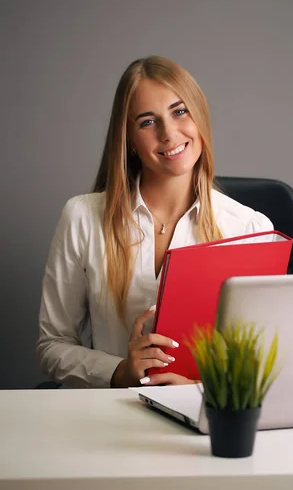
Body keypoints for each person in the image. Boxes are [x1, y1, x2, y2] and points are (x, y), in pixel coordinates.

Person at [36, 56, 273, 389]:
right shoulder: (83, 217)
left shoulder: (250, 229)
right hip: (106, 416)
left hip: (202, 421)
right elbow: (52, 345)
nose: (169, 133)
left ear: (200, 117)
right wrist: (120, 371)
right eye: (147, 122)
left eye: (180, 112)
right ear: (130, 140)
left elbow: (257, 357)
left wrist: (199, 388)